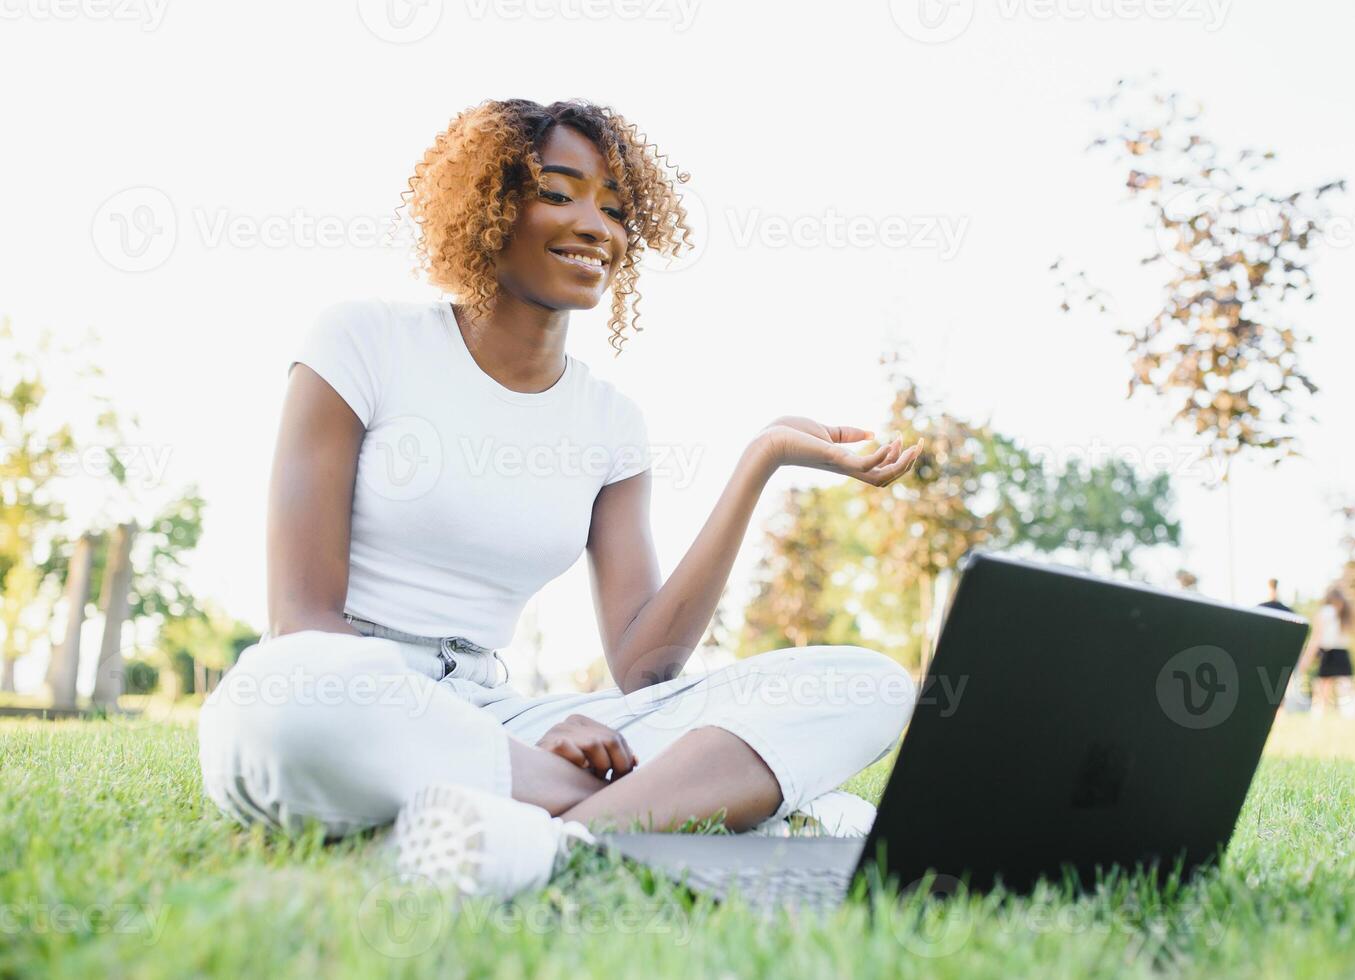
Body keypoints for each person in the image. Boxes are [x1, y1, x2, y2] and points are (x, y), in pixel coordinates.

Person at [197, 98, 923, 899]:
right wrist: (533, 760)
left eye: (614, 210)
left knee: (870, 683)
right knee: (291, 700)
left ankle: (551, 840)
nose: (595, 226)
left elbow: (647, 665)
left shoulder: (611, 423)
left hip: (499, 715)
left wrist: (761, 461)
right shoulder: (361, 341)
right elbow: (302, 622)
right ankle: (687, 812)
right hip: (346, 694)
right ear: (489, 205)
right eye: (559, 192)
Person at [1298, 586, 1355, 717]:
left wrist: (1306, 659)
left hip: (1328, 652)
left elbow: (1316, 638)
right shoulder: (1345, 613)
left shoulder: (1324, 612)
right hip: (1343, 652)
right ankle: (1349, 716)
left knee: (1321, 689)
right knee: (1345, 690)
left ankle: (1317, 715)